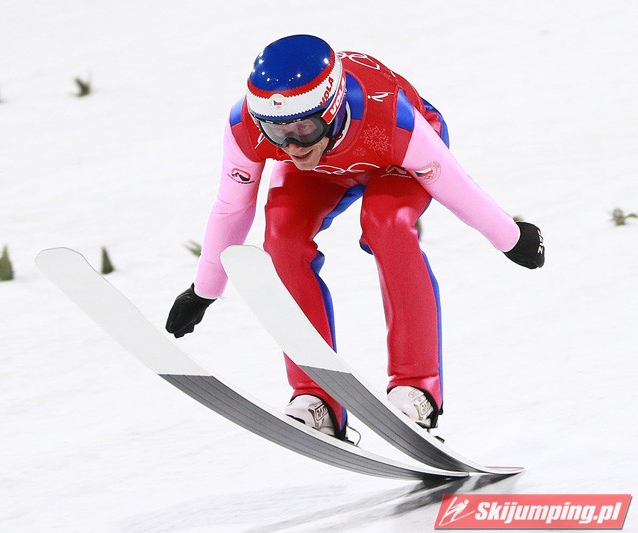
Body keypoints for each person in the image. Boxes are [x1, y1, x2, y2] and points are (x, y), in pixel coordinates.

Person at [165, 34, 544, 441]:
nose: (291, 146)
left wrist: (510, 237)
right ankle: (315, 395)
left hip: (393, 160)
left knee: (387, 224)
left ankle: (416, 389)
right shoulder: (247, 127)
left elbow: (455, 186)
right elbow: (232, 208)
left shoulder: (392, 119)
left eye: (304, 128)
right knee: (281, 238)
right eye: (277, 132)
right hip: (323, 170)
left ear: (330, 111)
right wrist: (204, 290)